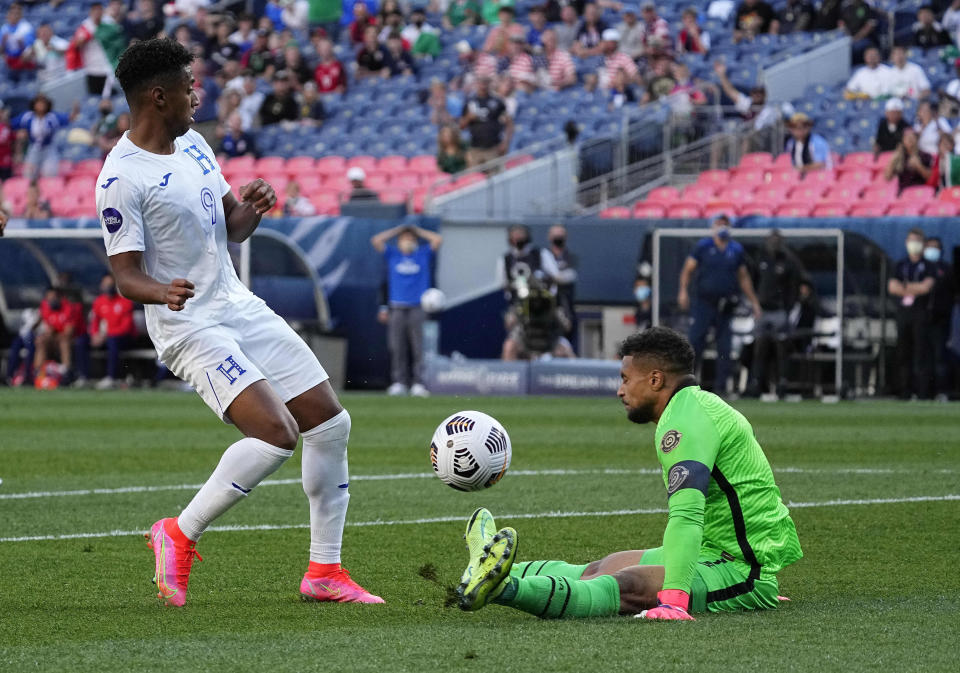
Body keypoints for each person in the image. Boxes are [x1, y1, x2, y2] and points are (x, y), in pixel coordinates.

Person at [96, 37, 382, 607]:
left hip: (236, 303)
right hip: (188, 326)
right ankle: (176, 534)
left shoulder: (195, 145)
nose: (197, 96)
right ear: (157, 97)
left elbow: (233, 224)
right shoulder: (120, 178)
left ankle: (324, 571)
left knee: (330, 423)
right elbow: (125, 276)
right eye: (187, 87)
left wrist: (254, 205)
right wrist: (164, 291)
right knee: (277, 433)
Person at [455, 326, 802, 619]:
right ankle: (489, 568)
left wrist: (676, 599)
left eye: (625, 379)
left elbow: (688, 515)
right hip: (713, 551)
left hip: (741, 569)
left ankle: (503, 588)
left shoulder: (684, 424)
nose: (619, 390)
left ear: (655, 379)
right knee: (600, 568)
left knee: (630, 587)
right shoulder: (691, 408)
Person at [677, 215, 762, 395]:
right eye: (719, 224)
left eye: (725, 224)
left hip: (726, 305)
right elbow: (688, 269)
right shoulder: (704, 246)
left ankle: (721, 387)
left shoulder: (735, 249)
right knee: (696, 343)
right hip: (704, 303)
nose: (723, 227)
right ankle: (687, 385)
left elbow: (743, 277)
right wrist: (683, 291)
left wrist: (754, 302)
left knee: (725, 347)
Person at [370, 224, 442, 397]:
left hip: (418, 306)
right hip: (397, 307)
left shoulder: (422, 254)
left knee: (419, 347)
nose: (408, 241)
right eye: (405, 239)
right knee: (397, 346)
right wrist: (397, 231)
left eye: (411, 239)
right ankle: (399, 381)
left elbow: (437, 240)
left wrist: (417, 231)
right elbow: (376, 240)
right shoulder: (393, 254)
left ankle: (419, 383)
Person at [498, 224, 573, 360]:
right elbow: (504, 286)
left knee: (564, 347)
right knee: (509, 346)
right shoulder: (506, 259)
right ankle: (509, 376)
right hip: (521, 308)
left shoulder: (540, 254)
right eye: (515, 235)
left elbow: (557, 277)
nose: (518, 238)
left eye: (521, 234)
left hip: (544, 306)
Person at [746, 231, 804, 398]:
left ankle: (783, 382)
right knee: (759, 347)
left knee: (782, 347)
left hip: (779, 311)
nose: (774, 243)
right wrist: (755, 304)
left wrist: (789, 308)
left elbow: (794, 286)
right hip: (762, 310)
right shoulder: (759, 259)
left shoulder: (788, 261)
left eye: (777, 240)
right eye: (771, 240)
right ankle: (756, 382)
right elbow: (751, 281)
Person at [888, 228, 936, 399]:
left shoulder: (928, 266)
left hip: (920, 313)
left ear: (922, 244)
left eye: (916, 240)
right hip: (904, 314)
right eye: (911, 240)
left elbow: (926, 287)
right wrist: (913, 288)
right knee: (903, 353)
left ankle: (922, 392)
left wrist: (906, 287)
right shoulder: (900, 265)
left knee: (921, 353)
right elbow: (892, 287)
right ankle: (904, 391)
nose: (913, 244)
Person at [89, 272, 135, 389]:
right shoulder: (99, 302)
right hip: (106, 338)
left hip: (124, 339)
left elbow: (126, 327)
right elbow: (95, 322)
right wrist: (95, 335)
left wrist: (106, 335)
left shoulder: (125, 302)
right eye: (106, 284)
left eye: (111, 284)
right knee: (81, 342)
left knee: (113, 341)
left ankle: (111, 377)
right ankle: (83, 376)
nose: (108, 287)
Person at [13, 94, 75, 180]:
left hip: (48, 148)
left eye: (43, 103)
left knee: (50, 173)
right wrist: (20, 133)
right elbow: (11, 125)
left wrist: (75, 110)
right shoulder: (27, 116)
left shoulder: (52, 116)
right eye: (38, 103)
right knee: (29, 174)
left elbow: (69, 118)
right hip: (33, 148)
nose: (40, 106)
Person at [922, 237, 954, 401]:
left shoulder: (946, 269)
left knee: (940, 357)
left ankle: (941, 390)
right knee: (922, 356)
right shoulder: (920, 267)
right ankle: (922, 391)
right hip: (921, 319)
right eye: (929, 247)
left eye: (935, 248)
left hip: (940, 320)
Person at [460, 76, 513, 169]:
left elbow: (509, 124)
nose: (483, 85)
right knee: (474, 179)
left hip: (493, 148)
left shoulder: (497, 101)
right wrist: (468, 118)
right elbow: (461, 126)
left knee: (497, 178)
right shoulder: (470, 101)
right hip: (475, 149)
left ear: (489, 84)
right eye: (480, 82)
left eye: (485, 82)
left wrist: (506, 143)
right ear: (476, 84)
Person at [884, 127, 932, 193]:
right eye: (907, 138)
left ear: (917, 139)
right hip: (903, 193)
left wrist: (919, 166)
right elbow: (887, 177)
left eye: (912, 137)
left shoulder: (924, 155)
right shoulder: (900, 156)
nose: (910, 140)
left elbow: (930, 178)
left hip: (919, 192)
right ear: (903, 140)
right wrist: (893, 161)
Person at [0, 2, 35, 76]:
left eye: (17, 13)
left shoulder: (26, 27)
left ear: (20, 15)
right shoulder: (4, 29)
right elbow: (1, 50)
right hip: (9, 59)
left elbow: (29, 48)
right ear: (8, 15)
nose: (14, 16)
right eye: (12, 13)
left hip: (23, 58)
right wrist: (3, 41)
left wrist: (21, 44)